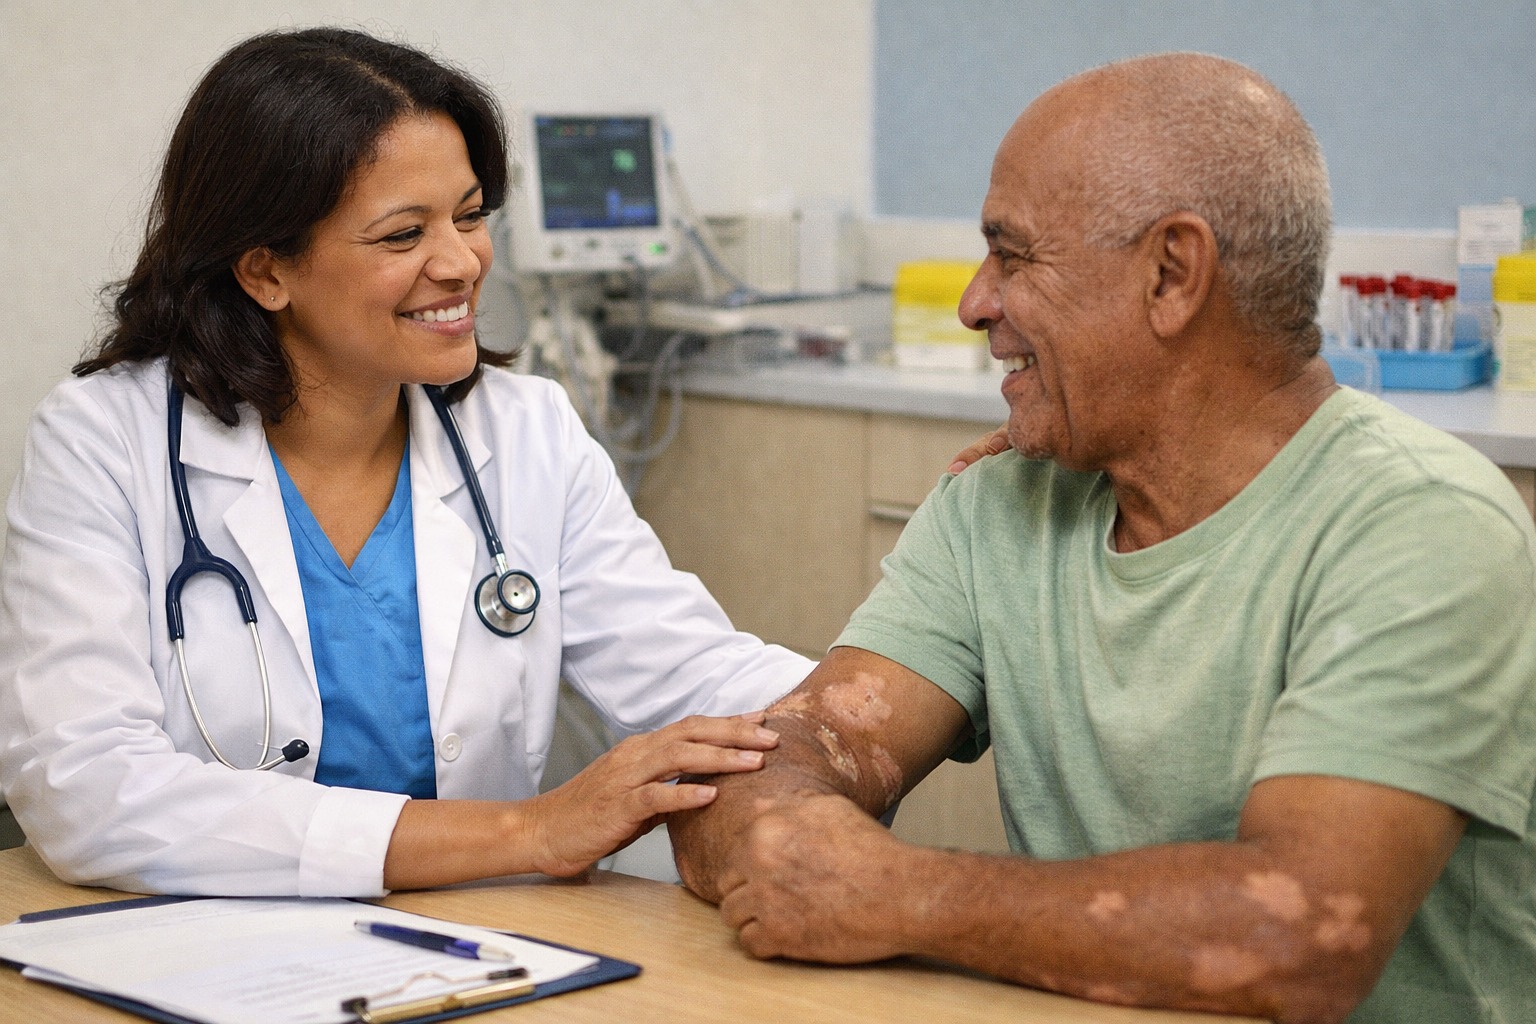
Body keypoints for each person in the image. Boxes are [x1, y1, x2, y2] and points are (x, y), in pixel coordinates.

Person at [670, 53, 1536, 1024]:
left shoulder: (1423, 527)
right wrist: (790, 841)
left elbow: (1297, 942)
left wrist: (897, 892)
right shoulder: (1000, 507)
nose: (974, 305)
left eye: (1013, 255)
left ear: (1172, 273)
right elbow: (752, 783)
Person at [0, 26, 821, 897]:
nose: (463, 262)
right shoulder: (108, 441)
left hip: (482, 945)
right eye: (403, 235)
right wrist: (528, 829)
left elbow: (700, 675)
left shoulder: (526, 429)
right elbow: (84, 786)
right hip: (211, 946)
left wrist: (921, 672)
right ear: (265, 270)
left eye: (470, 216)